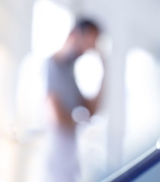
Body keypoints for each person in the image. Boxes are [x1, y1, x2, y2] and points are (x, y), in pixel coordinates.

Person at [43, 18, 104, 182]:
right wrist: (80, 121)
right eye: (88, 42)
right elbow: (57, 117)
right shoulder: (50, 65)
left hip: (69, 156)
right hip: (52, 155)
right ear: (75, 35)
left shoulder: (69, 72)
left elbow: (90, 110)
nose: (88, 50)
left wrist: (104, 68)